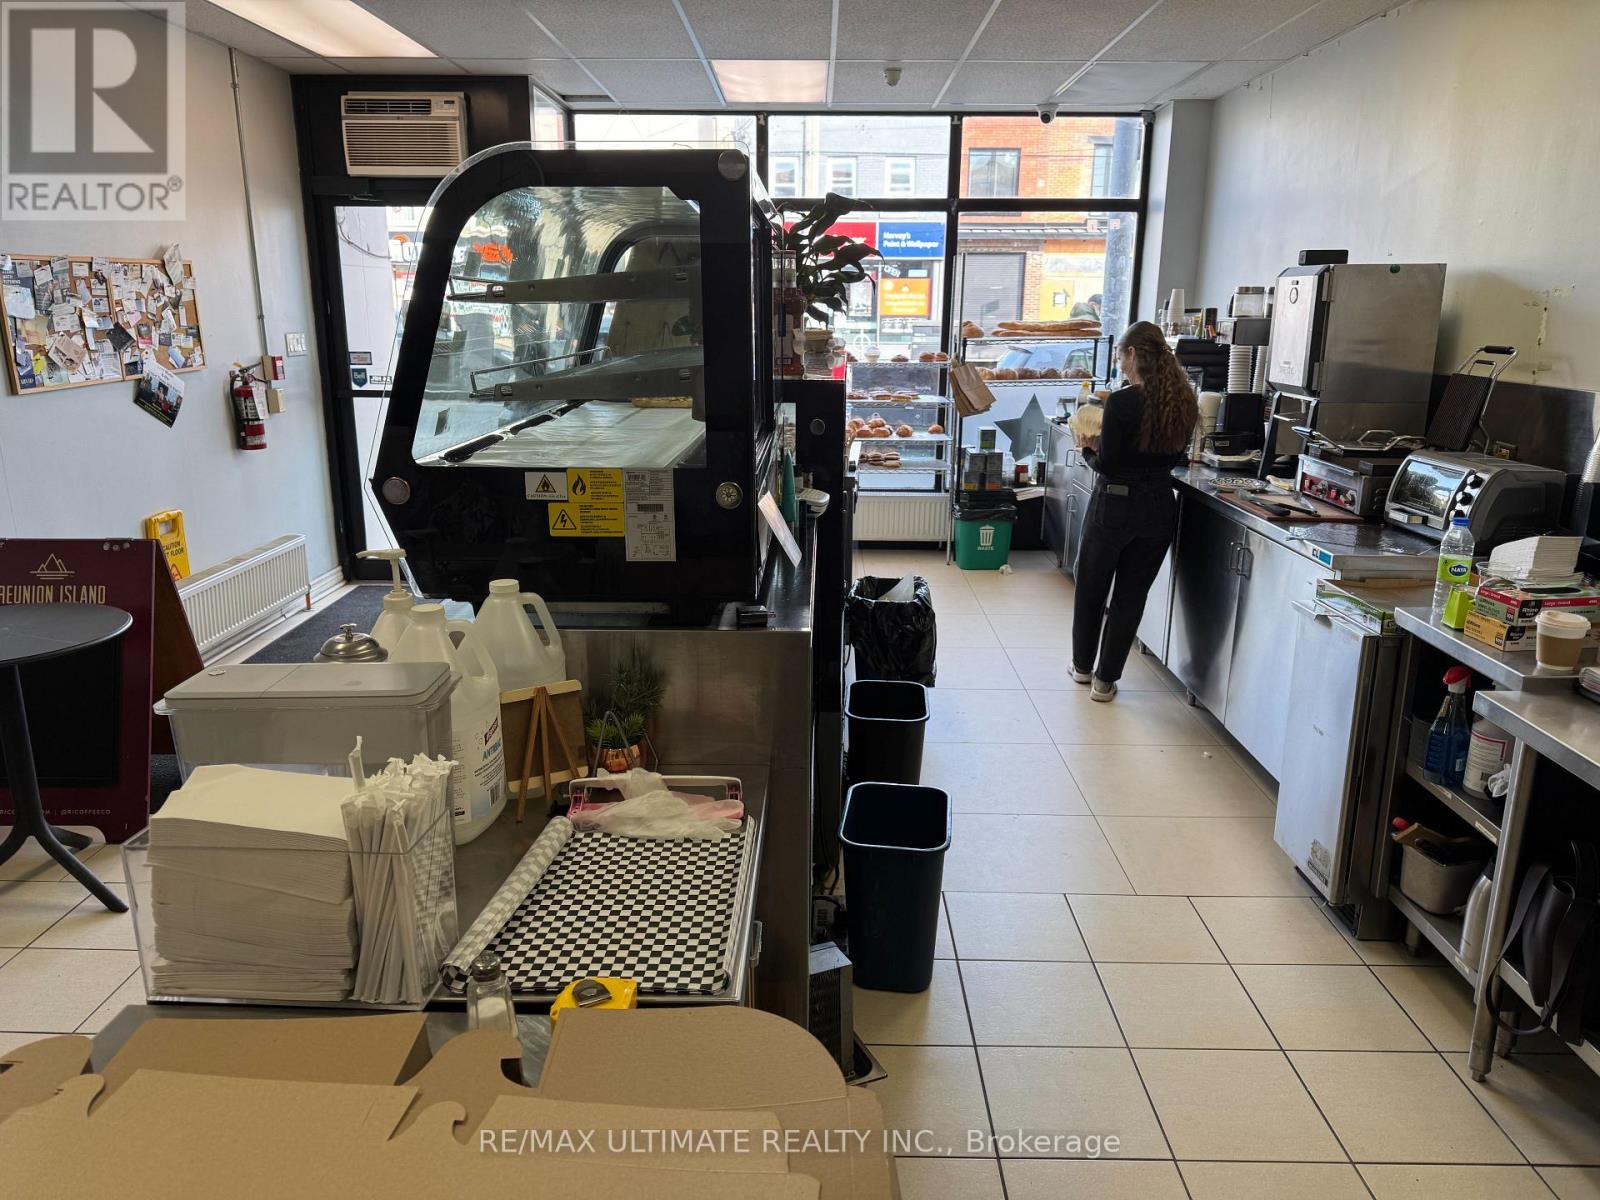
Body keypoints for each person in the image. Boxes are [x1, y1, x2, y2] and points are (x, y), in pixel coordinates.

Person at [1071, 320, 1198, 700]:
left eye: (1120, 356)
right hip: (1158, 506)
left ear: (1132, 353)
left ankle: (1082, 667)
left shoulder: (1122, 402)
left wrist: (1087, 449)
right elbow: (1173, 459)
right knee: (1130, 597)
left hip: (1114, 504)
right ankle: (1105, 681)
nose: (1120, 365)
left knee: (1092, 588)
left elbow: (1108, 464)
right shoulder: (1185, 402)